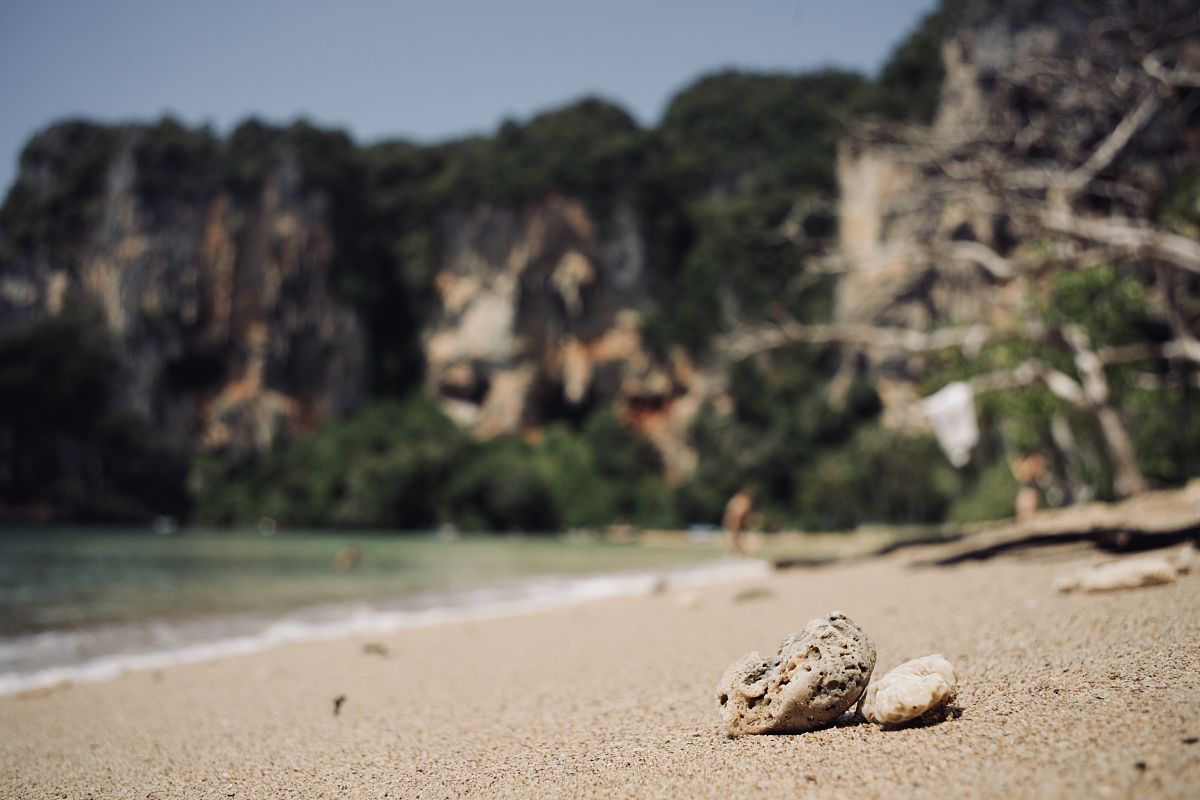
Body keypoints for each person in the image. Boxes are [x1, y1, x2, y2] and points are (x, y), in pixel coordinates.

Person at [1010, 453, 1045, 521]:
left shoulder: (1032, 466)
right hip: (1027, 492)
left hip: (1029, 492)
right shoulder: (1030, 466)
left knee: (1029, 516)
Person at [723, 487, 755, 555]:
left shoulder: (736, 499)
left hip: (736, 525)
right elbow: (738, 513)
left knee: (736, 541)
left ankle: (737, 551)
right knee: (735, 540)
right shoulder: (742, 500)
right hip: (735, 524)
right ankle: (736, 551)